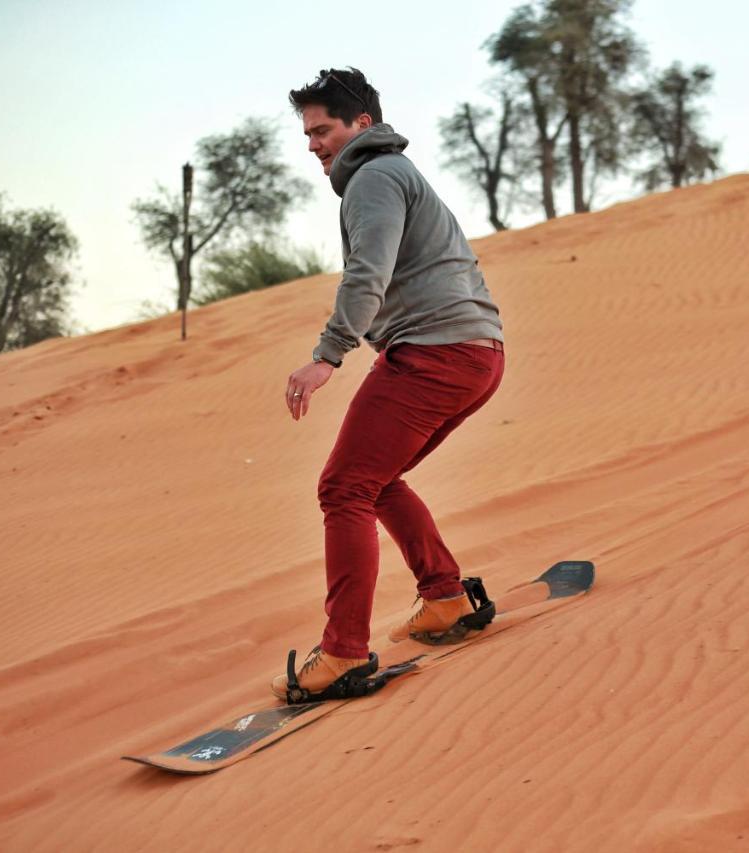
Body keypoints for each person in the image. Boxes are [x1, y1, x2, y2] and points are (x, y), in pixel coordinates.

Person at [272, 68, 505, 700]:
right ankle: (446, 599)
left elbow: (366, 274)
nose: (313, 144)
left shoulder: (373, 177)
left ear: (361, 126)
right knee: (373, 481)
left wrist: (328, 354)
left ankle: (344, 651)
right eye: (308, 134)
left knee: (343, 487)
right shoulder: (394, 175)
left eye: (323, 130)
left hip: (435, 354)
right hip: (474, 354)